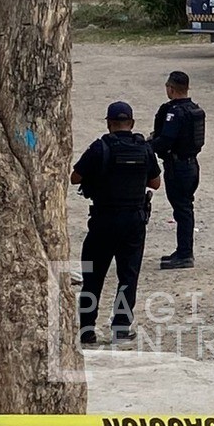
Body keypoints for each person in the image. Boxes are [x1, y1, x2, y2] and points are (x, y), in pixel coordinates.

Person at [72, 101, 161, 345]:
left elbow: (74, 177)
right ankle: (121, 327)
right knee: (128, 276)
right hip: (134, 221)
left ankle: (87, 330)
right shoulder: (143, 149)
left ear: (109, 124)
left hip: (103, 220)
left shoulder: (100, 148)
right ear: (131, 124)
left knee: (93, 276)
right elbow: (155, 183)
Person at [149, 71, 205, 269]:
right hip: (191, 165)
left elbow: (165, 141)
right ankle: (183, 251)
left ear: (170, 88)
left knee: (182, 210)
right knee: (185, 208)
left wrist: (146, 148)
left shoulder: (174, 112)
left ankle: (184, 254)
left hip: (178, 166)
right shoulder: (195, 110)